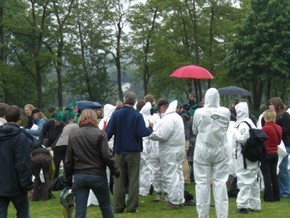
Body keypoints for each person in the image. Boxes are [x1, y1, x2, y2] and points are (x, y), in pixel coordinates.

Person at [64, 109, 120, 218]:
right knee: (106, 207)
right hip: (97, 175)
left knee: (80, 211)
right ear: (95, 119)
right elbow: (106, 156)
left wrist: (68, 179)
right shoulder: (100, 134)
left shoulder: (74, 135)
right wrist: (116, 170)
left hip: (79, 176)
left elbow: (68, 160)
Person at [106, 91, 153, 214]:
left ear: (124, 100)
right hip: (133, 151)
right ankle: (131, 207)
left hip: (119, 150)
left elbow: (108, 133)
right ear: (134, 102)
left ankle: (117, 206)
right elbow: (142, 132)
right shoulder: (137, 115)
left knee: (118, 179)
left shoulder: (116, 114)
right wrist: (150, 128)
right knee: (133, 179)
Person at [192, 88, 230, 217]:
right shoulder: (225, 111)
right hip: (220, 149)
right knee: (220, 183)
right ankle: (222, 215)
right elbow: (226, 127)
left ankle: (203, 215)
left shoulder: (199, 112)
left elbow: (194, 130)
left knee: (202, 184)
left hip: (203, 149)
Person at [150, 100, 185, 208]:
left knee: (171, 175)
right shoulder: (178, 117)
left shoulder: (168, 118)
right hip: (179, 148)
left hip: (169, 150)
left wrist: (150, 133)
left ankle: (174, 201)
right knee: (178, 174)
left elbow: (162, 135)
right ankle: (179, 199)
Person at [0, 105, 34, 217]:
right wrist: (28, 186)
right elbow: (23, 164)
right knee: (23, 214)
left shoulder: (20, 137)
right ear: (20, 118)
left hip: (3, 184)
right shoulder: (20, 138)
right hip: (17, 186)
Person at [234, 101, 261, 214]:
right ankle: (255, 204)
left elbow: (242, 139)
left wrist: (235, 133)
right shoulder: (251, 122)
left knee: (244, 180)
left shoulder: (243, 124)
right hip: (252, 157)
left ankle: (243, 205)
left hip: (245, 158)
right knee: (253, 181)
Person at [268, 97, 290, 198]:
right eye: (269, 104)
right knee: (278, 168)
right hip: (277, 145)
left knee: (282, 169)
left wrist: (276, 128)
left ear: (277, 105)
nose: (269, 106)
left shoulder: (284, 116)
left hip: (285, 145)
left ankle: (286, 191)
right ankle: (280, 189)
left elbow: (288, 130)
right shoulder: (273, 116)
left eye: (272, 104)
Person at [260, 109, 282, 202]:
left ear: (266, 117)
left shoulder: (265, 128)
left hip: (266, 153)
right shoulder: (278, 127)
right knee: (274, 175)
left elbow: (261, 141)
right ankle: (277, 195)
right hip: (275, 153)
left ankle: (268, 197)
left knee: (266, 175)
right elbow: (279, 141)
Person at [150, 98, 169, 201]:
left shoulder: (168, 118)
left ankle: (166, 193)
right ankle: (158, 193)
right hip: (154, 149)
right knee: (156, 172)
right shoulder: (153, 118)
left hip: (164, 148)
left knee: (166, 171)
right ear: (162, 107)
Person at [39, 110, 65, 179]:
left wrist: (52, 147)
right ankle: (45, 176)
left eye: (59, 122)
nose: (58, 123)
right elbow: (42, 134)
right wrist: (41, 145)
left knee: (56, 161)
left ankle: (55, 178)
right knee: (45, 140)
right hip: (48, 141)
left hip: (57, 144)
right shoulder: (48, 123)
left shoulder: (63, 126)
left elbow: (59, 137)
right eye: (57, 121)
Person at [54, 110, 78, 179]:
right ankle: (67, 179)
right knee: (67, 163)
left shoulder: (66, 126)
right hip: (66, 145)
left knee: (57, 164)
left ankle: (55, 180)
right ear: (72, 118)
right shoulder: (76, 126)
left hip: (58, 145)